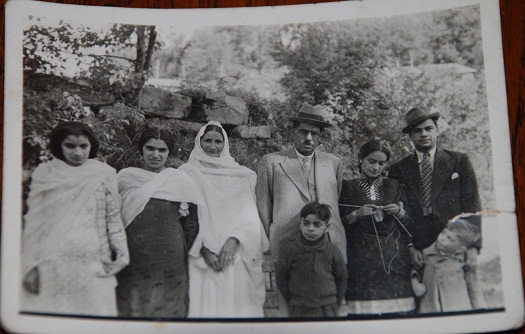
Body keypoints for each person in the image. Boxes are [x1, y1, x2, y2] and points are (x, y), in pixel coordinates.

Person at [21, 121, 129, 316]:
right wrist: (30, 266)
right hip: (53, 263)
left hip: (94, 262)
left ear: (91, 146)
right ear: (58, 145)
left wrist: (122, 254)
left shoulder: (102, 174)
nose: (78, 152)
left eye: (83, 146)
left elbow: (113, 219)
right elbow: (35, 223)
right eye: (70, 146)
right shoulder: (46, 174)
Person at [256, 102, 346, 316]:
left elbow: (336, 202)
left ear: (321, 136)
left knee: (330, 304)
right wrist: (270, 240)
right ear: (292, 132)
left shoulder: (333, 163)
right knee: (290, 306)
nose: (309, 138)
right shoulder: (272, 162)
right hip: (288, 243)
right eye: (303, 132)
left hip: (328, 245)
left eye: (315, 133)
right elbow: (263, 205)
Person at [179, 121, 268, 318]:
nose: (213, 146)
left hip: (234, 254)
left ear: (225, 144)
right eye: (207, 140)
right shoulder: (186, 173)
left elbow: (250, 216)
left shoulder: (243, 176)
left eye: (218, 141)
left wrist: (233, 241)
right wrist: (204, 249)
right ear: (199, 142)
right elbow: (185, 220)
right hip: (201, 254)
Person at [116, 127, 202, 318]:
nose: (155, 155)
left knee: (169, 308)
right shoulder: (125, 178)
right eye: (150, 148)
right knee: (133, 306)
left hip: (169, 258)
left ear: (169, 153)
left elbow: (191, 225)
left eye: (162, 150)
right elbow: (114, 216)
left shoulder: (180, 180)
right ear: (142, 150)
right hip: (133, 255)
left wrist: (176, 246)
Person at [389, 107, 482, 272]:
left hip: (455, 243)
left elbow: (472, 204)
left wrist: (473, 246)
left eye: (428, 128)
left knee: (457, 294)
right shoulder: (398, 169)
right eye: (417, 131)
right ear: (410, 136)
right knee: (426, 295)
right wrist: (410, 246)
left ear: (437, 130)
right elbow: (398, 214)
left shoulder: (459, 161)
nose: (423, 134)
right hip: (418, 247)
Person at [339, 140, 415, 315]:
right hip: (361, 256)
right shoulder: (348, 187)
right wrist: (357, 213)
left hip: (394, 257)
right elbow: (340, 223)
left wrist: (399, 211)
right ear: (360, 159)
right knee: (365, 313)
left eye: (381, 163)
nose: (376, 167)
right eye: (371, 161)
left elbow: (409, 223)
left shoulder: (395, 186)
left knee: (397, 313)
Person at [275, 202, 347, 318]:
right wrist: (295, 300)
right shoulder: (290, 250)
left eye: (317, 225)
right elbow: (281, 278)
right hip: (299, 308)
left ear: (326, 227)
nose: (311, 229)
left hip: (327, 308)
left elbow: (342, 279)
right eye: (306, 223)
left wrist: (333, 303)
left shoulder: (332, 251)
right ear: (300, 224)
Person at [411, 219, 486, 313]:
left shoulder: (464, 261)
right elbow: (416, 270)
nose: (442, 238)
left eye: (449, 238)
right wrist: (415, 283)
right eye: (443, 233)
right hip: (430, 307)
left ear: (460, 250)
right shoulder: (426, 253)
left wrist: (480, 309)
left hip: (457, 306)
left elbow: (474, 286)